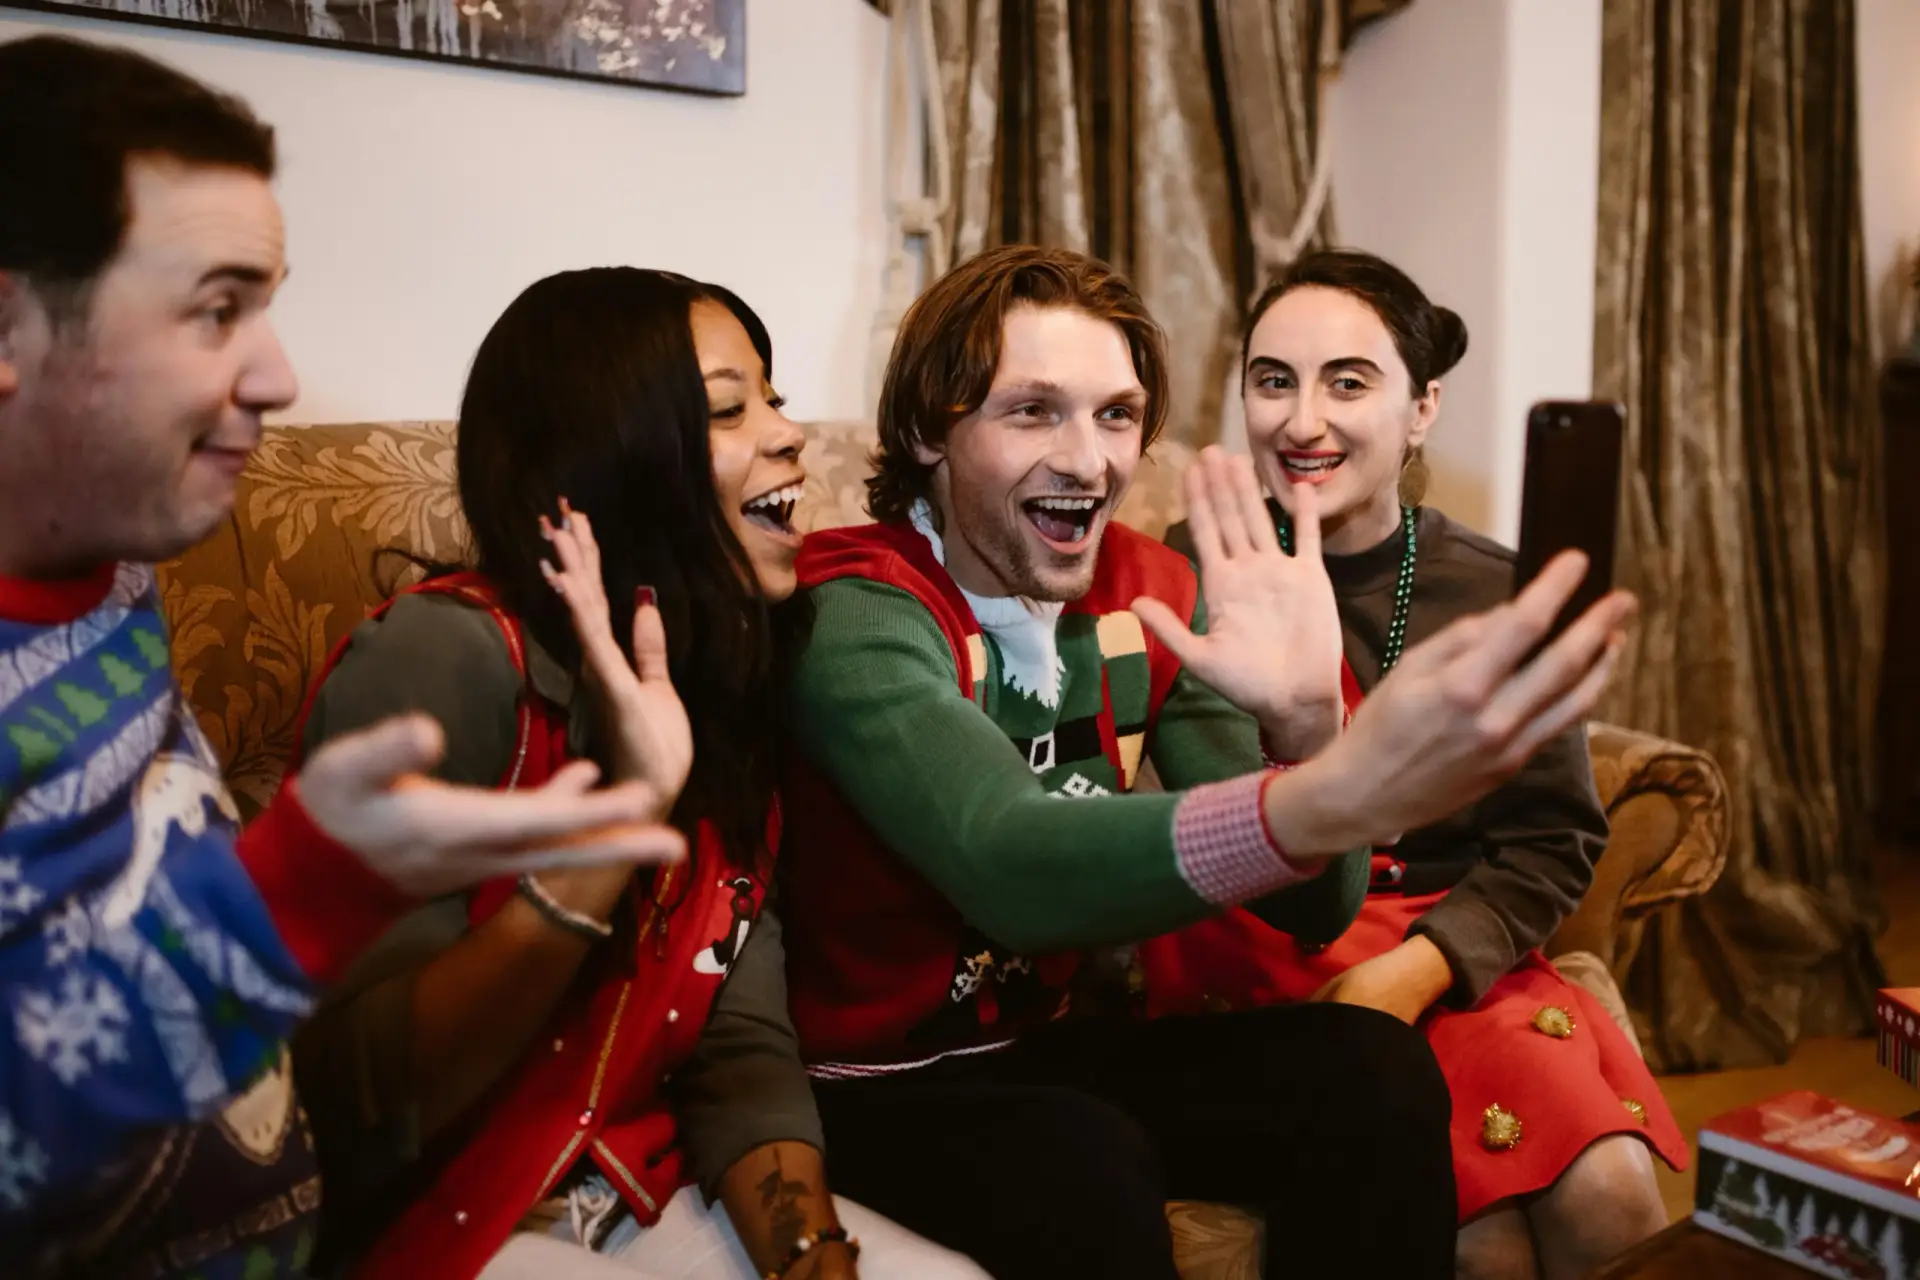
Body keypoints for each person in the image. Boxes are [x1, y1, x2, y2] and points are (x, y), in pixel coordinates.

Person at [778, 244, 1637, 1280]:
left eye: (1116, 414)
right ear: (928, 430)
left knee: (1374, 1069)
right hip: (864, 1078)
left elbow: (1316, 911)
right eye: (1032, 411)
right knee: (1087, 1163)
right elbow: (1009, 860)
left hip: (1036, 1043)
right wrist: (1329, 790)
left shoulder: (1153, 585)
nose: (1089, 459)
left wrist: (1311, 723)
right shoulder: (855, 608)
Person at [0, 35, 685, 1279]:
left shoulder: (109, 565)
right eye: (217, 308)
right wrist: (303, 888)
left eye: (267, 303)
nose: (279, 373)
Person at [288, 268, 985, 1280]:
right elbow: (350, 1101)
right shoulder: (445, 661)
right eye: (728, 409)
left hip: (637, 1197)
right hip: (441, 1225)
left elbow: (740, 1049)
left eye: (776, 397)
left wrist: (811, 1259)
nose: (790, 434)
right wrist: (603, 846)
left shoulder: (729, 683)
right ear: (608, 458)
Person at [1153, 248, 1682, 1280]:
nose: (1303, 420)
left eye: (1348, 381)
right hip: (1268, 941)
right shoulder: (1186, 566)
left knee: (1615, 1188)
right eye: (1274, 380)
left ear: (1423, 405)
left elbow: (1553, 834)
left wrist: (1417, 967)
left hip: (1445, 948)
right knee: (1476, 1238)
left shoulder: (1490, 589)